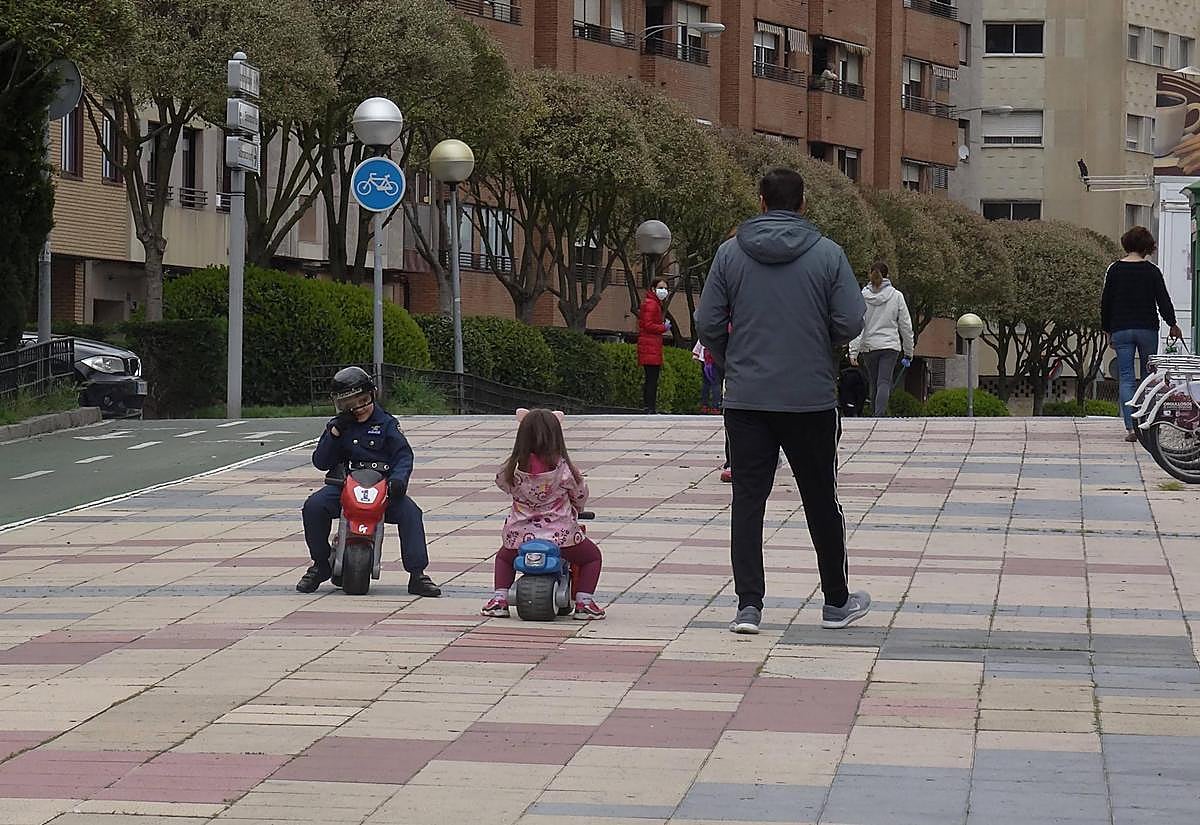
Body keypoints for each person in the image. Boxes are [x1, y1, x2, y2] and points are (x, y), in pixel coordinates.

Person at [696, 166, 871, 635]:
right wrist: (818, 340)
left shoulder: (729, 254)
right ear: (803, 203)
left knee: (748, 501)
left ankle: (748, 606)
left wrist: (734, 360)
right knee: (821, 498)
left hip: (747, 399)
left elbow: (708, 321)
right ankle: (836, 600)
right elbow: (852, 320)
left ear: (759, 201)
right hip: (810, 397)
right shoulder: (829, 255)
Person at [297, 366, 442, 596]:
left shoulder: (386, 424)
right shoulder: (338, 426)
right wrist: (334, 434)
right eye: (349, 405)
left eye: (363, 401)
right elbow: (321, 461)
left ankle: (417, 575)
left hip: (381, 487)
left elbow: (403, 455)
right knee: (314, 507)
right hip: (346, 486)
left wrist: (398, 480)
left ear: (372, 395)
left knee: (411, 513)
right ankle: (320, 564)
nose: (358, 408)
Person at [481, 408, 605, 620]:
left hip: (519, 535)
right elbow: (580, 493)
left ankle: (499, 599)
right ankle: (585, 602)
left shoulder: (512, 469)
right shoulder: (564, 470)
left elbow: (501, 482)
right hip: (561, 537)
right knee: (592, 557)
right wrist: (578, 507)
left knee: (503, 558)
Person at [1101, 226, 1183, 441]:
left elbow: (1106, 302)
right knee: (1148, 378)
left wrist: (1107, 329)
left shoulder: (1114, 269)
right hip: (1147, 328)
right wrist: (1172, 323)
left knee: (1126, 378)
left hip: (1121, 328)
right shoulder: (1152, 271)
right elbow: (1163, 301)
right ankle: (1146, 424)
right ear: (1147, 246)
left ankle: (1131, 428)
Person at [849, 261, 914, 418]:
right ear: (887, 275)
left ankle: (874, 415)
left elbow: (858, 324)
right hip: (889, 346)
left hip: (869, 347)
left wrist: (853, 351)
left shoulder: (861, 297)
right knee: (884, 381)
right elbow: (905, 325)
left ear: (870, 274)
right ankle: (879, 415)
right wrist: (909, 351)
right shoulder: (897, 296)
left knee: (873, 381)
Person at [638, 279, 672, 413]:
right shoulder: (652, 304)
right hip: (650, 346)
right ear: (653, 289)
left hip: (651, 346)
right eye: (661, 287)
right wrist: (663, 327)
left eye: (665, 288)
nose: (664, 291)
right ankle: (649, 407)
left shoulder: (652, 303)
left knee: (650, 378)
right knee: (652, 378)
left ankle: (649, 406)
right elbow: (648, 325)